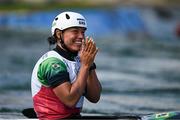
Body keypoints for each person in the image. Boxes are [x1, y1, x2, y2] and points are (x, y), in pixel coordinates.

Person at [31, 11, 102, 119]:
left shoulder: (81, 60)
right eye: (75, 31)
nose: (81, 36)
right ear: (59, 34)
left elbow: (95, 97)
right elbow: (70, 100)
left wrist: (90, 64)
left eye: (83, 32)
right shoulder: (52, 63)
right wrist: (85, 66)